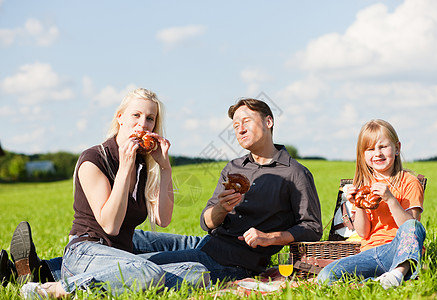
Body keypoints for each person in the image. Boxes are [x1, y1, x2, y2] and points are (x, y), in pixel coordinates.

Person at [2, 97, 322, 287]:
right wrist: (220, 210)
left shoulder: (294, 173)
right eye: (234, 123)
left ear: (268, 121)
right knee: (130, 240)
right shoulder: (234, 166)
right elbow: (206, 221)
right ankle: (37, 267)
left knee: (143, 261)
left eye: (246, 120)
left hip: (230, 258)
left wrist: (271, 239)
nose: (238, 127)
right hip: (210, 240)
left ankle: (46, 277)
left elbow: (312, 227)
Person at [14, 88, 209, 298]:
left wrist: (165, 168)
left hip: (123, 258)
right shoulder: (94, 159)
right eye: (136, 115)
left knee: (197, 273)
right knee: (147, 272)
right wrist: (125, 169)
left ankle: (59, 275)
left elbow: (163, 219)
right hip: (85, 252)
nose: (143, 124)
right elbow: (110, 225)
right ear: (120, 118)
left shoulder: (142, 164)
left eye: (150, 118)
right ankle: (53, 290)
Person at [317, 119, 426, 289]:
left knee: (414, 226)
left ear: (397, 148)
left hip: (397, 250)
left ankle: (397, 273)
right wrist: (358, 205)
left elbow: (410, 227)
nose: (377, 153)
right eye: (370, 149)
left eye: (383, 147)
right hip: (369, 253)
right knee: (325, 276)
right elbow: (363, 232)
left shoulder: (409, 182)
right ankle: (379, 283)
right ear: (363, 154)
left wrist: (390, 199)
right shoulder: (363, 186)